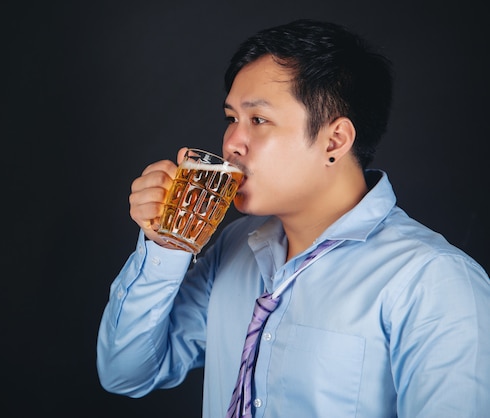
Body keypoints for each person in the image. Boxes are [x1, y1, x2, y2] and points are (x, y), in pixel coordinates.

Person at [96, 18, 490, 417]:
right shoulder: (235, 247)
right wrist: (167, 245)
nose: (231, 142)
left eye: (258, 120)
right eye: (232, 118)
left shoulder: (433, 281)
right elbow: (126, 373)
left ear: (334, 140)